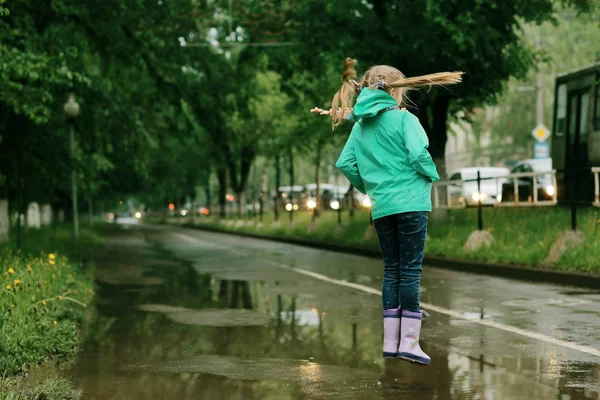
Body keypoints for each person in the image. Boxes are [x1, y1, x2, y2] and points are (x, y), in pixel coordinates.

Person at [313, 58, 462, 365]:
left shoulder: (360, 128)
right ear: (397, 92)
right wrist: (430, 174)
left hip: (382, 208)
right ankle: (409, 342)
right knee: (409, 272)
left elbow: (345, 164)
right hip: (412, 203)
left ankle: (392, 341)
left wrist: (368, 187)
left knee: (391, 271)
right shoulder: (406, 120)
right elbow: (419, 153)